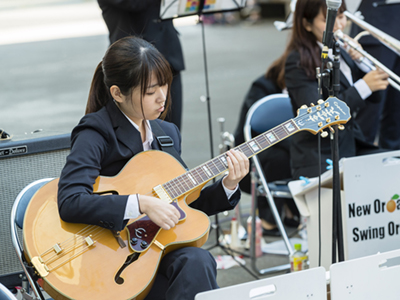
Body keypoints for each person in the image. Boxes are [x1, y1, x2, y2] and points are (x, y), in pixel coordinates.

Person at [57, 36, 249, 300]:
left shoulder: (167, 133)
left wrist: (228, 185)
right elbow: (70, 201)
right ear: (117, 93)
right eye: (150, 91)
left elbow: (186, 209)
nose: (162, 97)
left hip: (159, 254)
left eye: (165, 85)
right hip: (113, 260)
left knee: (197, 260)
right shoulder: (95, 132)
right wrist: (141, 203)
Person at [283, 0, 389, 179]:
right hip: (320, 156)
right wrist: (363, 86)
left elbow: (376, 97)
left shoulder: (340, 51)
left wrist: (362, 62)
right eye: (328, 20)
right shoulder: (297, 61)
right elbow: (317, 115)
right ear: (307, 24)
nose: (339, 25)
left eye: (341, 17)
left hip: (351, 146)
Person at [233, 57, 299, 236]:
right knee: (281, 157)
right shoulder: (262, 87)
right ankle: (269, 218)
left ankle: (295, 209)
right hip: (253, 156)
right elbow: (259, 135)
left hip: (286, 148)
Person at [97, 0, 185, 130]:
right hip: (133, 65)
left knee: (171, 131)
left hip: (167, 54)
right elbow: (133, 4)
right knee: (135, 136)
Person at [350, 0, 400, 150]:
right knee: (370, 110)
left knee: (396, 113)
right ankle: (358, 160)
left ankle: (391, 162)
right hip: (376, 22)